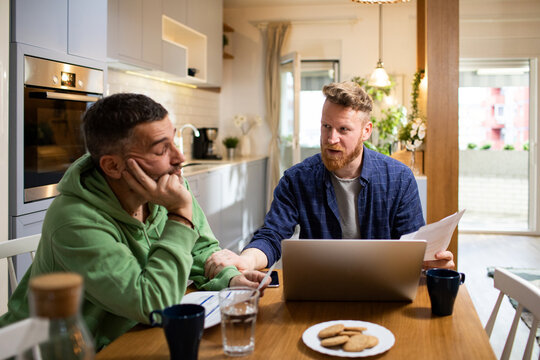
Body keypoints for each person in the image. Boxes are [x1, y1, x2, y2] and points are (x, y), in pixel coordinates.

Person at [0, 93, 267, 350]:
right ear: (113, 166)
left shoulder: (164, 188)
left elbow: (202, 250)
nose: (179, 158)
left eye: (174, 141)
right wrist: (179, 215)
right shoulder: (74, 220)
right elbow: (154, 304)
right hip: (55, 350)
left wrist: (230, 279)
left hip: (133, 336)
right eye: (162, 149)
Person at [205, 81, 454, 277]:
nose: (331, 138)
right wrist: (246, 260)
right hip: (319, 289)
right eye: (326, 126)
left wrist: (431, 263)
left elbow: (413, 246)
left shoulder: (399, 178)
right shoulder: (297, 179)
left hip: (383, 289)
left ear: (366, 131)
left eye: (343, 129)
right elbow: (272, 235)